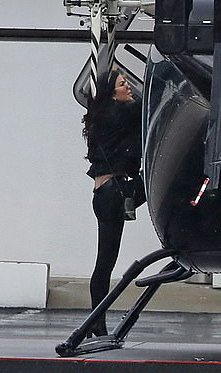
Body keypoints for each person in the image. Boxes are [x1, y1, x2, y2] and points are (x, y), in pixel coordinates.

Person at [82, 70, 143, 337]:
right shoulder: (119, 112)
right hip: (113, 194)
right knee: (105, 263)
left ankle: (96, 320)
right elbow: (148, 102)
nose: (128, 87)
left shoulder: (104, 115)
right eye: (123, 84)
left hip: (106, 193)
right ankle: (96, 321)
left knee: (105, 263)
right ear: (112, 93)